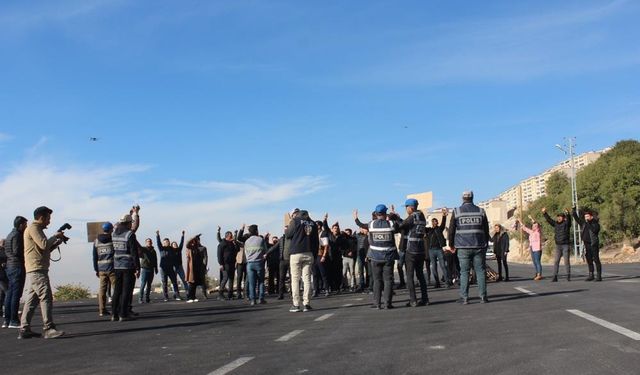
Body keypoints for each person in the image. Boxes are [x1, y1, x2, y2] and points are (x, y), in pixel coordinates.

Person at [18, 206, 66, 339]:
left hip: (36, 268)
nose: (49, 222)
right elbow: (44, 245)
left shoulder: (36, 229)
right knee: (46, 297)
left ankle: (24, 328)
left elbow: (44, 249)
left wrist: (57, 243)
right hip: (37, 269)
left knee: (32, 300)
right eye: (48, 218)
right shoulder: (34, 228)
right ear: (41, 218)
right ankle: (48, 328)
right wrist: (54, 236)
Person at [448, 191, 490, 305]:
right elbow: (486, 229)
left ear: (462, 198)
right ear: (472, 198)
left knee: (464, 272)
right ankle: (483, 297)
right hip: (479, 246)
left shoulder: (457, 211)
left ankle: (464, 298)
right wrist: (486, 243)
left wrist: (451, 245)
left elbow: (451, 230)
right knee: (480, 271)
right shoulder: (481, 211)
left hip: (463, 247)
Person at [354, 204, 400, 309]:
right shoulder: (391, 224)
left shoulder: (372, 225)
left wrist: (356, 218)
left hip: (375, 257)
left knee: (377, 280)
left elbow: (360, 224)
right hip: (389, 256)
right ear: (385, 213)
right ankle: (387, 303)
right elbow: (399, 224)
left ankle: (377, 303)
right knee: (388, 280)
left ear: (376, 213)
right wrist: (393, 214)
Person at [391, 199, 429, 307]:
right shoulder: (422, 217)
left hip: (411, 250)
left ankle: (413, 300)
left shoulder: (413, 216)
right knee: (420, 275)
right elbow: (407, 225)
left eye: (406, 207)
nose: (406, 209)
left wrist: (395, 218)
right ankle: (425, 298)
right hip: (421, 249)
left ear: (410, 207)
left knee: (410, 276)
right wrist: (397, 218)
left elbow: (402, 225)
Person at [285, 209, 319, 312]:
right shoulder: (313, 223)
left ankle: (296, 304)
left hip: (296, 252)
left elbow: (288, 235)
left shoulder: (295, 221)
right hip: (309, 253)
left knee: (295, 279)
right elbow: (316, 241)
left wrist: (291, 221)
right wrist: (314, 254)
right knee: (307, 279)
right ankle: (307, 303)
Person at [111, 213, 140, 322]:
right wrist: (138, 267)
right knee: (126, 291)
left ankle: (114, 314)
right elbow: (134, 252)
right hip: (128, 266)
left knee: (117, 290)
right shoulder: (129, 234)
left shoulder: (114, 234)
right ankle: (123, 314)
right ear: (128, 223)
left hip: (117, 266)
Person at [3, 216, 28, 329]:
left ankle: (7, 320)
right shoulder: (17, 235)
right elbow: (17, 251)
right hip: (17, 266)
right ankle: (14, 320)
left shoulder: (9, 235)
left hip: (10, 267)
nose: (26, 227)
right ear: (21, 225)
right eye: (25, 224)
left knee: (9, 293)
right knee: (15, 294)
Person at [239, 225, 267, 305]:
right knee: (261, 281)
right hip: (259, 263)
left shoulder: (247, 241)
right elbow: (265, 251)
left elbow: (245, 253)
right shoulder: (261, 240)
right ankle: (261, 298)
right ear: (256, 231)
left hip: (250, 264)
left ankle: (253, 300)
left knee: (252, 283)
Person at [542, 207, 572, 282]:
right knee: (556, 261)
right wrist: (545, 213)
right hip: (558, 245)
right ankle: (555, 276)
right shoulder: (555, 224)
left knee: (566, 261)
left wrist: (567, 214)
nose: (559, 218)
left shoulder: (566, 224)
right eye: (558, 217)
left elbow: (569, 221)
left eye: (560, 217)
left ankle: (568, 275)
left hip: (565, 245)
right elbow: (549, 220)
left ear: (563, 218)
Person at [93, 222, 116, 316]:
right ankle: (116, 308)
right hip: (112, 268)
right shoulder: (113, 240)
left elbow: (94, 256)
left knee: (102, 290)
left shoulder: (96, 241)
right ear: (111, 229)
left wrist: (96, 269)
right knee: (116, 289)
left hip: (101, 269)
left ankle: (102, 310)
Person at [573, 207, 602, 282]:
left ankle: (599, 276)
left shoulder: (595, 223)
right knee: (589, 260)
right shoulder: (584, 224)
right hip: (586, 244)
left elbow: (594, 230)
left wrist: (589, 223)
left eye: (587, 216)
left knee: (596, 259)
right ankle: (591, 274)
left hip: (593, 244)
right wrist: (573, 210)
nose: (586, 218)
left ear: (591, 216)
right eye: (585, 216)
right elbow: (576, 218)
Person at [426, 209, 450, 288]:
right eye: (433, 221)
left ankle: (447, 282)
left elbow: (443, 223)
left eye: (435, 221)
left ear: (437, 223)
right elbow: (422, 227)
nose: (434, 222)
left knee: (443, 266)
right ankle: (437, 283)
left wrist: (444, 216)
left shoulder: (439, 229)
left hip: (439, 249)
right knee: (434, 267)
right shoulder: (429, 230)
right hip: (431, 250)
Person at [157, 230, 182, 301]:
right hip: (163, 268)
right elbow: (158, 243)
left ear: (169, 242)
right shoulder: (161, 248)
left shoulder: (172, 249)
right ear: (163, 243)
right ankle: (165, 296)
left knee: (174, 281)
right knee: (164, 282)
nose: (166, 243)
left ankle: (177, 295)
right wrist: (158, 236)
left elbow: (179, 249)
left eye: (167, 242)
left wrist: (176, 265)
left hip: (171, 268)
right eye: (165, 242)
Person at [217, 227, 240, 300]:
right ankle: (220, 294)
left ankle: (230, 294)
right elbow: (219, 254)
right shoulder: (222, 243)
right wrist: (221, 264)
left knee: (231, 279)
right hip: (225, 263)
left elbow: (237, 250)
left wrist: (235, 243)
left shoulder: (232, 243)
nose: (232, 237)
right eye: (230, 236)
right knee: (225, 278)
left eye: (232, 236)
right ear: (227, 236)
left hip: (232, 263)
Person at [186, 234, 209, 302]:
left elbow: (205, 258)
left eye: (197, 240)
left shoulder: (203, 248)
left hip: (200, 267)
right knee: (191, 282)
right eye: (195, 240)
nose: (196, 241)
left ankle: (194, 296)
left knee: (199, 282)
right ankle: (190, 297)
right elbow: (187, 243)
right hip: (192, 267)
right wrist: (193, 237)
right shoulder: (191, 247)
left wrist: (204, 266)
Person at [139, 238, 158, 303]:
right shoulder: (143, 249)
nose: (149, 242)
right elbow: (139, 249)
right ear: (146, 243)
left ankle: (147, 298)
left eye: (150, 241)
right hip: (145, 269)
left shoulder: (154, 251)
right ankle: (140, 298)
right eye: (147, 241)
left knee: (149, 284)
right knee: (143, 284)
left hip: (151, 269)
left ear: (151, 242)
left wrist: (156, 268)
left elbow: (155, 260)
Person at [354, 227, 369, 293]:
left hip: (367, 255)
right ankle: (361, 285)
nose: (363, 229)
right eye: (361, 228)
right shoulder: (356, 236)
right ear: (360, 229)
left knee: (368, 271)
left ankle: (368, 284)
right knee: (361, 271)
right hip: (359, 255)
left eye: (364, 228)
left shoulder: (368, 235)